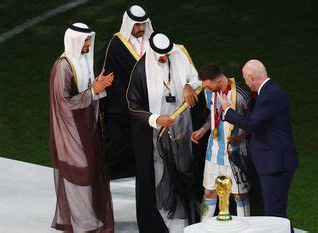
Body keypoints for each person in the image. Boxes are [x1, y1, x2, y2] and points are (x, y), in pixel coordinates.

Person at [126, 32, 204, 233]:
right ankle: (164, 218)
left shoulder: (179, 53)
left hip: (182, 123)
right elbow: (133, 105)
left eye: (167, 54)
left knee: (185, 166)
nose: (165, 58)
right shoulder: (141, 69)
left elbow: (196, 78)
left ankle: (187, 214)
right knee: (160, 169)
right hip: (158, 130)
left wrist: (189, 85)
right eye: (161, 55)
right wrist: (155, 119)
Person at [218, 59, 299, 232]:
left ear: (250, 76)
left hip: (275, 163)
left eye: (245, 79)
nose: (246, 83)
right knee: (275, 211)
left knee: (275, 213)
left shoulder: (270, 95)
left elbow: (251, 124)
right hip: (274, 161)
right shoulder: (269, 92)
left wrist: (227, 110)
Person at [49, 22, 114, 232]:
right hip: (71, 131)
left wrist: (97, 85)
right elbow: (64, 103)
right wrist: (93, 90)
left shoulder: (83, 61)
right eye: (86, 40)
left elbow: (87, 90)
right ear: (76, 41)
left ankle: (91, 219)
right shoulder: (63, 67)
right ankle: (84, 225)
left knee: (92, 170)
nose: (89, 43)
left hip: (87, 127)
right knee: (81, 173)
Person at [96, 3, 154, 179]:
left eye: (143, 24)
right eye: (136, 24)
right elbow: (103, 75)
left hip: (149, 105)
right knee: (120, 143)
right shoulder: (113, 46)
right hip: (121, 106)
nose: (141, 28)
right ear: (129, 24)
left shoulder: (153, 44)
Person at [191, 63, 253, 220]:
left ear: (217, 81)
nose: (206, 88)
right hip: (213, 153)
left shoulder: (240, 95)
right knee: (209, 192)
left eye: (207, 84)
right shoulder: (208, 92)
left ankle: (244, 228)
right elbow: (212, 117)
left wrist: (242, 136)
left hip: (236, 154)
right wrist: (203, 130)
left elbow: (254, 123)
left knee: (239, 195)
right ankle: (203, 228)